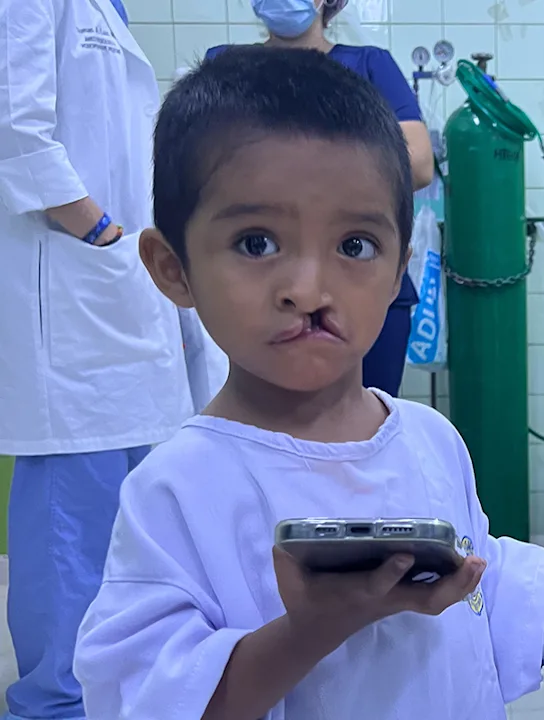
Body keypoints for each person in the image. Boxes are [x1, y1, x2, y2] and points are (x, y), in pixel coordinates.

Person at [71, 47, 544, 719]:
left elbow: (475, 587)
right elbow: (152, 698)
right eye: (256, 242)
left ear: (401, 268)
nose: (308, 290)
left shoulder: (428, 439)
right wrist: (314, 626)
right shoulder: (177, 492)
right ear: (173, 268)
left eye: (355, 245)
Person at [0, 1, 195, 719]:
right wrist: (103, 233)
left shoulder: (103, 9)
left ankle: (113, 683)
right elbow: (16, 130)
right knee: (71, 505)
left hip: (113, 289)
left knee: (124, 508)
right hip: (75, 287)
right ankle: (55, 701)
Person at [204, 0, 434, 398]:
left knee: (364, 432)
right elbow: (198, 167)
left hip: (358, 281)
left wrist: (278, 180)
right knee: (266, 431)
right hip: (258, 281)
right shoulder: (225, 65)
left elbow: (418, 163)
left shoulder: (369, 65)